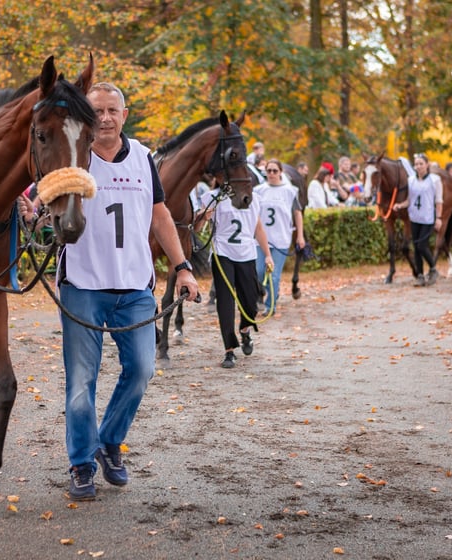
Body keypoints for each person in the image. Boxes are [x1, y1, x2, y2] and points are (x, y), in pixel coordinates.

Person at [57, 82, 200, 501]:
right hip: (83, 285)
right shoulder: (75, 156)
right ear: (88, 116)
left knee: (141, 369)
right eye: (97, 110)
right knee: (81, 381)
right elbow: (46, 196)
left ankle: (109, 442)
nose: (104, 117)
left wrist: (184, 268)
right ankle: (81, 463)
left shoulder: (143, 157)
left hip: (135, 286)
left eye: (111, 110)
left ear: (124, 113)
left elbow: (160, 215)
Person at [201, 183, 273, 368]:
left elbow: (258, 229)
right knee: (225, 302)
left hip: (247, 253)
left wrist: (268, 255)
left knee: (251, 301)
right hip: (222, 252)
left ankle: (245, 328)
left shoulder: (253, 198)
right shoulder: (214, 197)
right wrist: (204, 215)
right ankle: (229, 350)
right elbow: (199, 224)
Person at [254, 158, 305, 314]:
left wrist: (300, 236)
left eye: (275, 171)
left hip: (281, 238)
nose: (271, 174)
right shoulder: (258, 190)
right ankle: (267, 294)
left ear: (280, 172)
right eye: (268, 171)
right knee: (259, 271)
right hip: (260, 240)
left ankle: (271, 305)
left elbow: (297, 213)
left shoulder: (289, 191)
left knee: (273, 275)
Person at [392, 153, 442, 287]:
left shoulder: (434, 180)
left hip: (428, 218)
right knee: (416, 247)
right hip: (414, 217)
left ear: (427, 165)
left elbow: (438, 201)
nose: (418, 166)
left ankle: (433, 268)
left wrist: (439, 218)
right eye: (416, 164)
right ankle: (420, 275)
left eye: (421, 163)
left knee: (421, 246)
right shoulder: (411, 180)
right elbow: (410, 200)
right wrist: (400, 205)